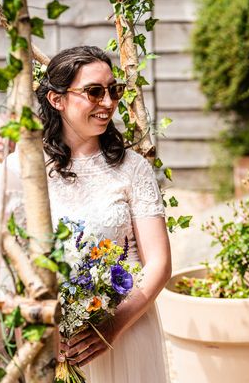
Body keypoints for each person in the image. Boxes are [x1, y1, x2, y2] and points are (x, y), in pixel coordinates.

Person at [32, 46, 171, 381]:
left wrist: (111, 327)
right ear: (56, 99)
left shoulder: (132, 169)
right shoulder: (31, 171)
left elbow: (160, 264)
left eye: (114, 90)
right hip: (53, 340)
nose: (108, 102)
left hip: (125, 334)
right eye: (94, 92)